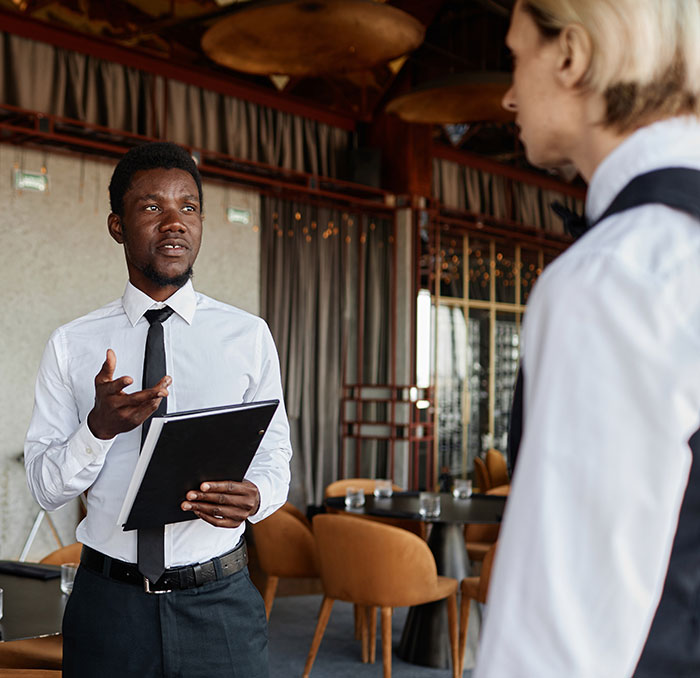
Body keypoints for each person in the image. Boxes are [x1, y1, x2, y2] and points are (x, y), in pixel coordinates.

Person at [474, 2, 700, 677]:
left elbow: (556, 644)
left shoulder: (617, 277)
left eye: (517, 56)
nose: (510, 93)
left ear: (572, 54)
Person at [24, 141, 292, 677]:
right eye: (152, 207)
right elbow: (44, 488)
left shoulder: (249, 336)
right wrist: (96, 431)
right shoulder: (72, 344)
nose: (175, 222)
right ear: (116, 226)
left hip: (220, 601)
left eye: (188, 207)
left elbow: (275, 456)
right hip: (109, 607)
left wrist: (257, 496)